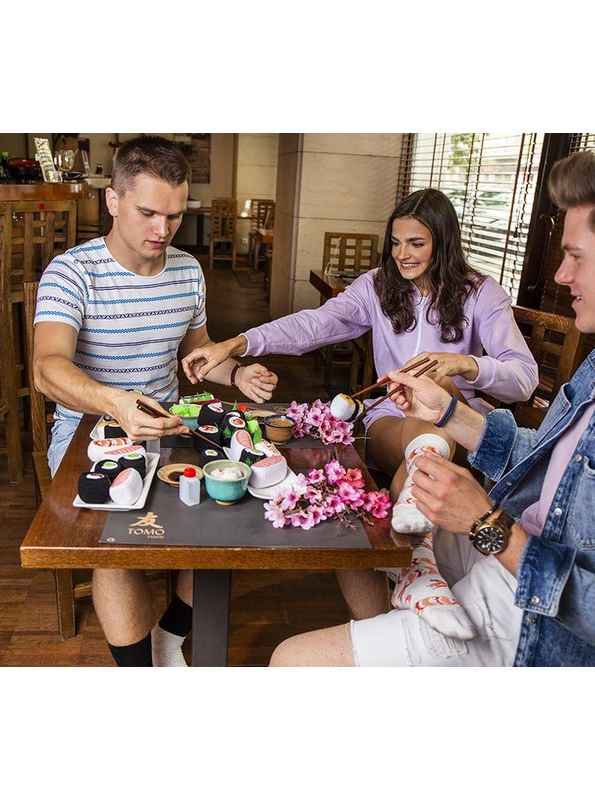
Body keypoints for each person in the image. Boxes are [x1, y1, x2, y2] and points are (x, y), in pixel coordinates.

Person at [269, 141, 595, 667]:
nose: (561, 275)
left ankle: (408, 600)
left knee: (294, 658)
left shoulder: (484, 295)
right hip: (502, 530)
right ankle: (409, 594)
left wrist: (486, 522)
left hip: (527, 602)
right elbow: (547, 462)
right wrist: (450, 414)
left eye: (575, 255)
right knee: (356, 527)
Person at [182, 188, 538, 639]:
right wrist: (236, 344)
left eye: (416, 243)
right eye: (395, 242)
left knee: (437, 388)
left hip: (464, 430)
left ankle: (415, 563)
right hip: (394, 421)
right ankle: (415, 552)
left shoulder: (481, 293)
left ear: (443, 242)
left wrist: (464, 363)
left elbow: (524, 378)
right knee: (415, 427)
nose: (402, 255)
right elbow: (313, 324)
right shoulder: (376, 286)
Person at [33, 135, 278, 667]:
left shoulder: (188, 271)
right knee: (116, 549)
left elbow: (196, 351)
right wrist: (115, 403)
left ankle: (169, 637)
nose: (162, 230)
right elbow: (47, 369)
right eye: (147, 212)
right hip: (89, 432)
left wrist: (237, 373)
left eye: (174, 215)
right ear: (113, 200)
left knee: (223, 517)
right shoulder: (72, 272)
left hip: (170, 424)